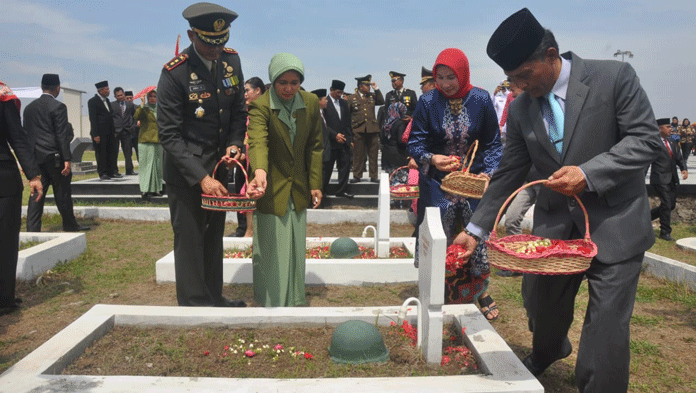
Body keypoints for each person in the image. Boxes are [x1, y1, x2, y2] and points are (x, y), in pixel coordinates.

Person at [455, 8, 661, 392]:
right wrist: (475, 229)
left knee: (605, 328)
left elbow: (645, 140)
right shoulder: (521, 110)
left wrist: (589, 173)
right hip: (555, 235)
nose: (516, 88)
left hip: (615, 226)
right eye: (510, 80)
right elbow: (510, 172)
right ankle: (551, 348)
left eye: (523, 76)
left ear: (551, 55)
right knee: (541, 309)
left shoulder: (613, 78)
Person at [157, 2, 247, 307]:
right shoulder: (175, 73)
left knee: (213, 235)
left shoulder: (231, 62)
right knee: (191, 238)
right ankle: (194, 302)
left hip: (220, 169)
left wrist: (234, 144)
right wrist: (201, 178)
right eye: (209, 43)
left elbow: (238, 111)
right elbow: (168, 134)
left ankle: (213, 295)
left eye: (221, 42)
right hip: (187, 173)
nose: (216, 50)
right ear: (191, 35)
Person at [407, 48, 503, 320]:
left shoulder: (481, 99)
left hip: (472, 182)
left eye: (452, 77)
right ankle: (436, 291)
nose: (447, 84)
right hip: (437, 183)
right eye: (440, 77)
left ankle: (480, 292)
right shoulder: (427, 102)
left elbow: (493, 144)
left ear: (463, 73)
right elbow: (415, 142)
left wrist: (488, 172)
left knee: (474, 235)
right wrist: (432, 158)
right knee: (438, 234)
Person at [246, 53, 324, 307]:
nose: (289, 88)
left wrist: (315, 183)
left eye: (294, 82)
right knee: (272, 241)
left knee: (295, 241)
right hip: (270, 183)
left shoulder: (311, 103)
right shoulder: (261, 105)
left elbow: (315, 146)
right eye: (282, 83)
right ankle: (272, 298)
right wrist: (259, 171)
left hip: (299, 184)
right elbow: (258, 141)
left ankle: (295, 297)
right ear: (272, 82)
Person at [24, 73, 88, 232]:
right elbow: (61, 134)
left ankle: (32, 228)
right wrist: (67, 158)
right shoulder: (58, 107)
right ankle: (70, 224)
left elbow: (26, 134)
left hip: (36, 158)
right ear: (57, 88)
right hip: (55, 158)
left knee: (37, 194)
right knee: (63, 193)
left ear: (41, 87)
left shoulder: (29, 108)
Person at [0, 81, 42, 316]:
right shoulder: (2, 94)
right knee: (4, 239)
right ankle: (3, 298)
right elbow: (17, 137)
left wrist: (33, 173)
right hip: (4, 176)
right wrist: (33, 174)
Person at [231, 76, 266, 237]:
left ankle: (252, 231)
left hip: (257, 161)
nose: (244, 94)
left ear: (258, 91)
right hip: (242, 160)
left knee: (253, 193)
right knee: (240, 191)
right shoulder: (242, 111)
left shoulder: (265, 111)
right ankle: (242, 227)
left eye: (247, 90)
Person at [651, 118, 688, 241]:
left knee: (670, 205)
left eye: (670, 126)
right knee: (666, 203)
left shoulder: (672, 142)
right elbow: (646, 161)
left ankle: (646, 218)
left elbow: (679, 157)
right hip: (659, 178)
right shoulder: (654, 142)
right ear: (659, 128)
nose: (670, 129)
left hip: (672, 178)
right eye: (667, 126)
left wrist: (684, 169)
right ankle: (665, 232)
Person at [348, 75, 384, 183]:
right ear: (360, 86)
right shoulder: (351, 98)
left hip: (372, 129)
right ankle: (357, 175)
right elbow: (347, 115)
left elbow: (381, 101)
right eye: (366, 85)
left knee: (373, 154)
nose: (368, 87)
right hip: (358, 129)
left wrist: (376, 89)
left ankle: (374, 176)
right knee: (358, 154)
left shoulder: (372, 96)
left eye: (369, 85)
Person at [323, 79, 353, 198]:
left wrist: (350, 139)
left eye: (341, 92)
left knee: (344, 166)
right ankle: (323, 190)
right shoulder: (325, 103)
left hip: (344, 141)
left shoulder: (344, 104)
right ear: (331, 90)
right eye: (338, 92)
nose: (340, 95)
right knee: (327, 168)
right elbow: (324, 124)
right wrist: (334, 135)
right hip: (331, 142)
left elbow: (347, 123)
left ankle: (341, 190)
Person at [88, 80, 120, 180]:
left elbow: (110, 117)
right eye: (106, 89)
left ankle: (111, 171)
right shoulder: (93, 101)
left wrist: (114, 131)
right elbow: (93, 119)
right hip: (100, 133)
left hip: (109, 132)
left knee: (110, 152)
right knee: (101, 153)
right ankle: (103, 172)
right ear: (100, 90)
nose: (108, 91)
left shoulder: (107, 101)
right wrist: (95, 134)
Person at [134, 89, 163, 200]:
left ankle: (157, 189)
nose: (152, 98)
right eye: (150, 96)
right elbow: (136, 117)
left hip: (157, 140)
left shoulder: (160, 109)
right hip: (145, 140)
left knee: (157, 166)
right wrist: (141, 103)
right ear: (147, 98)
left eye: (155, 96)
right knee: (146, 166)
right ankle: (145, 190)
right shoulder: (143, 108)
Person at [111, 87, 137, 176]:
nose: (120, 97)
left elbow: (135, 116)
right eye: (118, 96)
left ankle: (129, 170)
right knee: (114, 152)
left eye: (121, 95)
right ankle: (114, 171)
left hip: (127, 131)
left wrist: (133, 126)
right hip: (116, 131)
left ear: (124, 95)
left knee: (128, 152)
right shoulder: (112, 105)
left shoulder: (130, 105)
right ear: (115, 96)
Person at [381, 101, 409, 173]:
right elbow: (401, 141)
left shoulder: (386, 123)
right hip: (398, 155)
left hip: (386, 154)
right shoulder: (400, 123)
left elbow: (382, 139)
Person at [124, 90, 139, 162]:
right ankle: (129, 169)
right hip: (127, 133)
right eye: (127, 98)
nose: (129, 100)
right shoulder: (123, 109)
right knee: (128, 153)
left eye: (131, 98)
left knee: (139, 151)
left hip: (136, 133)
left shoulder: (137, 107)